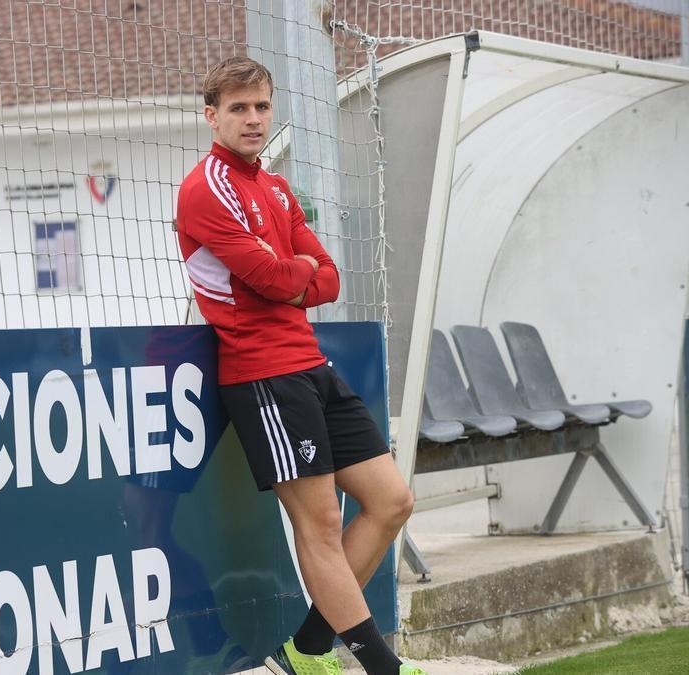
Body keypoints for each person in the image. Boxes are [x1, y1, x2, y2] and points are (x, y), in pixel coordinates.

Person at [175, 56, 424, 675]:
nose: (253, 120)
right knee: (318, 525)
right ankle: (380, 668)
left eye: (261, 106)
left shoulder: (278, 189)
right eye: (238, 108)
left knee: (391, 501)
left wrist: (295, 275)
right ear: (212, 116)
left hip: (311, 364)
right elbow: (268, 278)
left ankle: (307, 649)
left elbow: (325, 279)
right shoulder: (205, 188)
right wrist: (293, 271)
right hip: (262, 375)